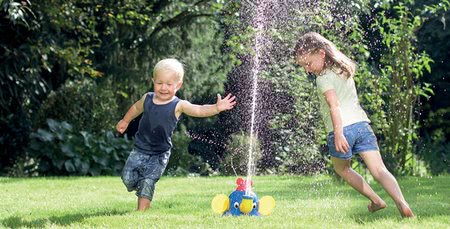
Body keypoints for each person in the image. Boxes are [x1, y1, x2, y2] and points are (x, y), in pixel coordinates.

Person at [294, 32, 414, 218]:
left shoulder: (323, 78)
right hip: (362, 125)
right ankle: (402, 203)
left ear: (321, 53)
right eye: (303, 67)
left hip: (341, 129)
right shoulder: (343, 69)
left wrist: (339, 134)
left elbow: (334, 106)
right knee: (379, 170)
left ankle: (376, 200)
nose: (308, 70)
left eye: (308, 64)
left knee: (342, 169)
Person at [116, 58, 236, 211]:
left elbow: (199, 110)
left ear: (178, 85)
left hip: (159, 153)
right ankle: (141, 187)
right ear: (153, 81)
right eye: (159, 83)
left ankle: (142, 211)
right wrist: (125, 121)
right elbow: (135, 108)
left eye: (169, 84)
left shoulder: (179, 105)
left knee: (148, 180)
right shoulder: (148, 98)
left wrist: (216, 108)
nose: (163, 88)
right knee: (127, 178)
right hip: (140, 149)